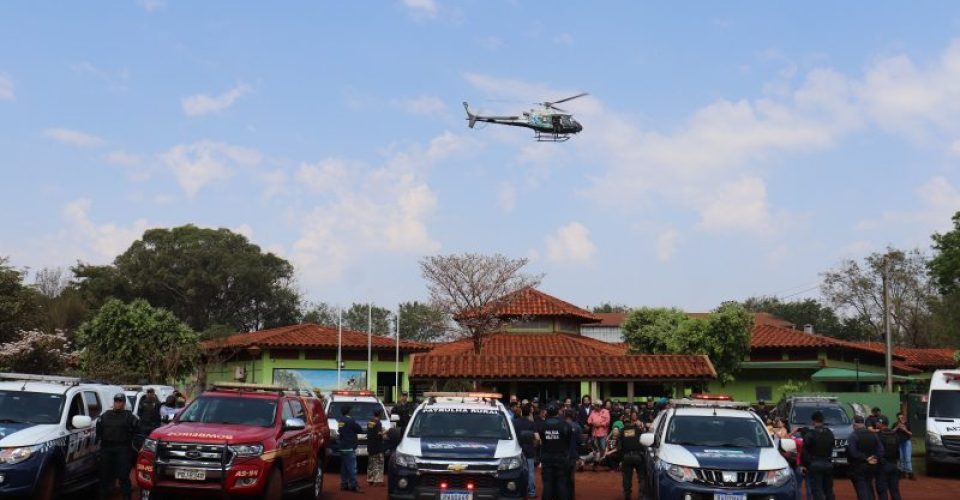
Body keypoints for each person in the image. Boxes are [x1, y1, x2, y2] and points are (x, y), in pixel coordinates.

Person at [97, 393, 139, 500]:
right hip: (107, 448)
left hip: (123, 449)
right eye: (116, 401)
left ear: (124, 404)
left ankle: (126, 496)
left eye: (120, 401)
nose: (118, 403)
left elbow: (137, 431)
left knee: (123, 475)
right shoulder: (105, 415)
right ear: (113, 402)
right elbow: (99, 431)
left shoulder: (130, 417)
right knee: (104, 474)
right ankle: (104, 495)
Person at [538, 404, 573, 500]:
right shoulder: (565, 425)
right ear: (558, 412)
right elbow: (568, 441)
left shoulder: (542, 425)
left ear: (547, 412)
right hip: (561, 458)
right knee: (562, 484)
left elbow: (542, 440)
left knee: (547, 485)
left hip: (547, 458)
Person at [847, 415, 883, 500]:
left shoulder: (853, 436)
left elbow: (853, 453)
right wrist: (874, 457)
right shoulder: (873, 435)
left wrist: (866, 458)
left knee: (861, 488)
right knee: (869, 485)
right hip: (872, 466)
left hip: (858, 466)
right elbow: (881, 450)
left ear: (854, 424)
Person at [802, 411, 836, 500]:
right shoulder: (829, 433)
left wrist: (806, 464)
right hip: (828, 463)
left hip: (815, 464)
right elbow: (832, 446)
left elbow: (805, 451)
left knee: (817, 490)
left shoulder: (810, 434)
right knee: (829, 490)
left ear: (813, 421)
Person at [336, 405, 364, 493]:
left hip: (342, 446)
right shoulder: (350, 420)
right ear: (349, 411)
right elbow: (359, 429)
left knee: (344, 467)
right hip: (349, 447)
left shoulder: (340, 420)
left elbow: (341, 432)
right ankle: (354, 485)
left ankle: (344, 484)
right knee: (352, 467)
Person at [514, 404, 540, 498]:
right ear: (530, 412)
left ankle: (518, 491)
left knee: (516, 471)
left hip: (517, 450)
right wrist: (535, 446)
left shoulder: (514, 422)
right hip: (529, 450)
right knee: (530, 472)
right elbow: (537, 438)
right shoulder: (532, 424)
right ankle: (531, 492)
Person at [875, 417, 902, 500]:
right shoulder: (895, 435)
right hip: (894, 465)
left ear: (881, 423)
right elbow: (898, 451)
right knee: (895, 490)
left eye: (877, 422)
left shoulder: (878, 435)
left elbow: (877, 451)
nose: (876, 424)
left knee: (882, 490)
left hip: (882, 466)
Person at [620, 410, 645, 500]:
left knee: (627, 478)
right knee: (642, 477)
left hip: (626, 457)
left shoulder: (622, 431)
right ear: (631, 421)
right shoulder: (638, 430)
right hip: (639, 456)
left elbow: (619, 447)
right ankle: (641, 496)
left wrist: (621, 459)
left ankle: (627, 496)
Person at [564, 409, 583, 498]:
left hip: (562, 455)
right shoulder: (577, 426)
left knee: (562, 477)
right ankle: (571, 496)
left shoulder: (561, 426)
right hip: (573, 455)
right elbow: (580, 442)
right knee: (571, 477)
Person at [366, 408, 385, 487]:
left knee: (371, 463)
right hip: (377, 446)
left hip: (370, 445)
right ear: (380, 414)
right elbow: (378, 435)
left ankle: (370, 479)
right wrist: (384, 433)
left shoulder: (370, 421)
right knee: (379, 463)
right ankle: (377, 481)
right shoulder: (378, 423)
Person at [892, 412, 914, 480]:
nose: (901, 418)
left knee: (907, 458)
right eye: (899, 417)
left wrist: (905, 430)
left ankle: (910, 473)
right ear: (897, 418)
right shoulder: (895, 424)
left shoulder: (907, 424)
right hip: (899, 443)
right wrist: (897, 427)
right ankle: (902, 472)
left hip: (907, 442)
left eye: (902, 417)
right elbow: (891, 432)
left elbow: (911, 433)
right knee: (901, 458)